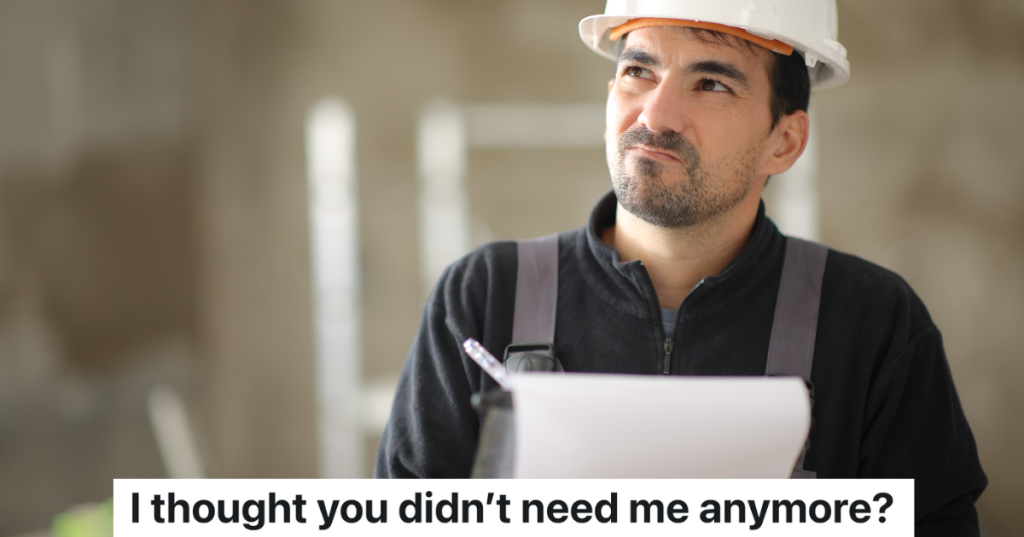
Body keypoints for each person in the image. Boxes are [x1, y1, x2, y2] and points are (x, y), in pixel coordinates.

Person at [375, 1, 987, 532]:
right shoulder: (485, 297)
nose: (655, 115)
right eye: (638, 71)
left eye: (711, 83)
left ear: (785, 141)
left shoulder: (872, 323)